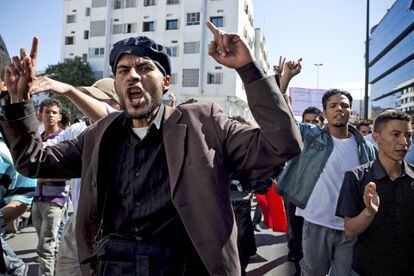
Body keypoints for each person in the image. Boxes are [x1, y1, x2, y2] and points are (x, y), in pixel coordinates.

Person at [1, 22, 302, 275]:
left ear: (166, 82)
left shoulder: (205, 123)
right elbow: (33, 162)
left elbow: (282, 144)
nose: (132, 75)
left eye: (144, 67)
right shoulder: (98, 135)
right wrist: (19, 103)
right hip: (114, 265)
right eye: (123, 70)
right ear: (117, 85)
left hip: (183, 266)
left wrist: (248, 69)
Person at [277, 89, 376, 276]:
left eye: (344, 105)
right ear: (325, 113)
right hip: (316, 223)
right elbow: (285, 122)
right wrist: (284, 85)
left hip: (351, 228)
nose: (339, 109)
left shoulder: (366, 148)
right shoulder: (311, 136)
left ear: (351, 111)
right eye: (333, 105)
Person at [336, 110, 414, 275]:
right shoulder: (356, 178)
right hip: (369, 269)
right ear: (376, 137)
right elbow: (350, 230)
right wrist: (369, 212)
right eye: (396, 134)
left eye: (408, 135)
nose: (404, 142)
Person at [32, 98, 68, 276]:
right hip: (37, 198)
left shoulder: (64, 137)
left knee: (46, 246)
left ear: (60, 116)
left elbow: (69, 172)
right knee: (45, 246)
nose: (50, 116)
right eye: (47, 112)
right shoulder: (37, 139)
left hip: (55, 200)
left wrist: (41, 178)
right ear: (40, 114)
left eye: (54, 112)